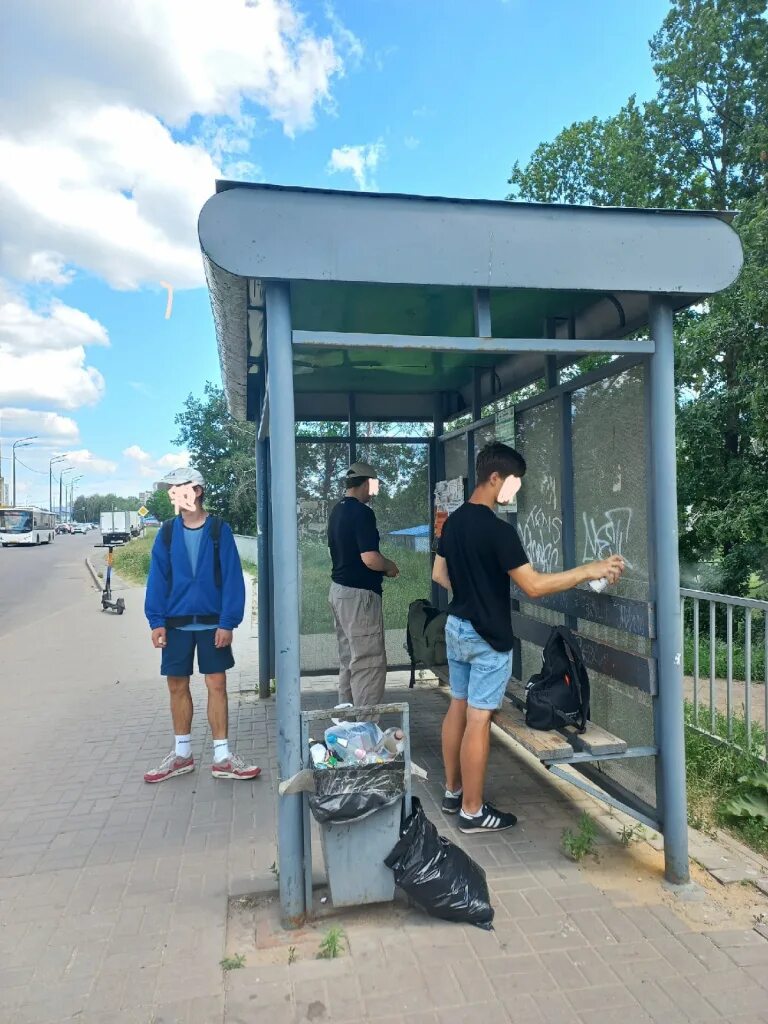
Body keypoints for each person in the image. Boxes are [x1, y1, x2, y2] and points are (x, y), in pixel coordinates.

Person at [432, 442, 624, 835]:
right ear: (495, 478)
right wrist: (589, 569)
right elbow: (533, 586)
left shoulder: (452, 523)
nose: (513, 493)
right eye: (513, 484)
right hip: (488, 638)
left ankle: (452, 791)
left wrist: (471, 594)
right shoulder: (499, 532)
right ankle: (472, 811)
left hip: (457, 628)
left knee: (459, 706)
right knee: (479, 719)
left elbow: (439, 575)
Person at [143, 467, 261, 783]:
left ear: (196, 491)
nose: (172, 495)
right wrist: (156, 621)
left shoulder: (219, 530)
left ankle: (222, 757)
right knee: (177, 686)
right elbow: (157, 579)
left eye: (177, 489)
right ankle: (182, 754)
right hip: (175, 624)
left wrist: (228, 622)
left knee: (217, 685)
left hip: (213, 625)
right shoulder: (167, 533)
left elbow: (234, 579)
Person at [327, 462, 399, 707]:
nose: (374, 491)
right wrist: (390, 566)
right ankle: (365, 730)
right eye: (375, 485)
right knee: (368, 663)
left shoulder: (337, 510)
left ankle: (346, 724)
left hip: (339, 591)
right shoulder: (362, 512)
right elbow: (370, 558)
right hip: (359, 598)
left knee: (349, 659)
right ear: (367, 482)